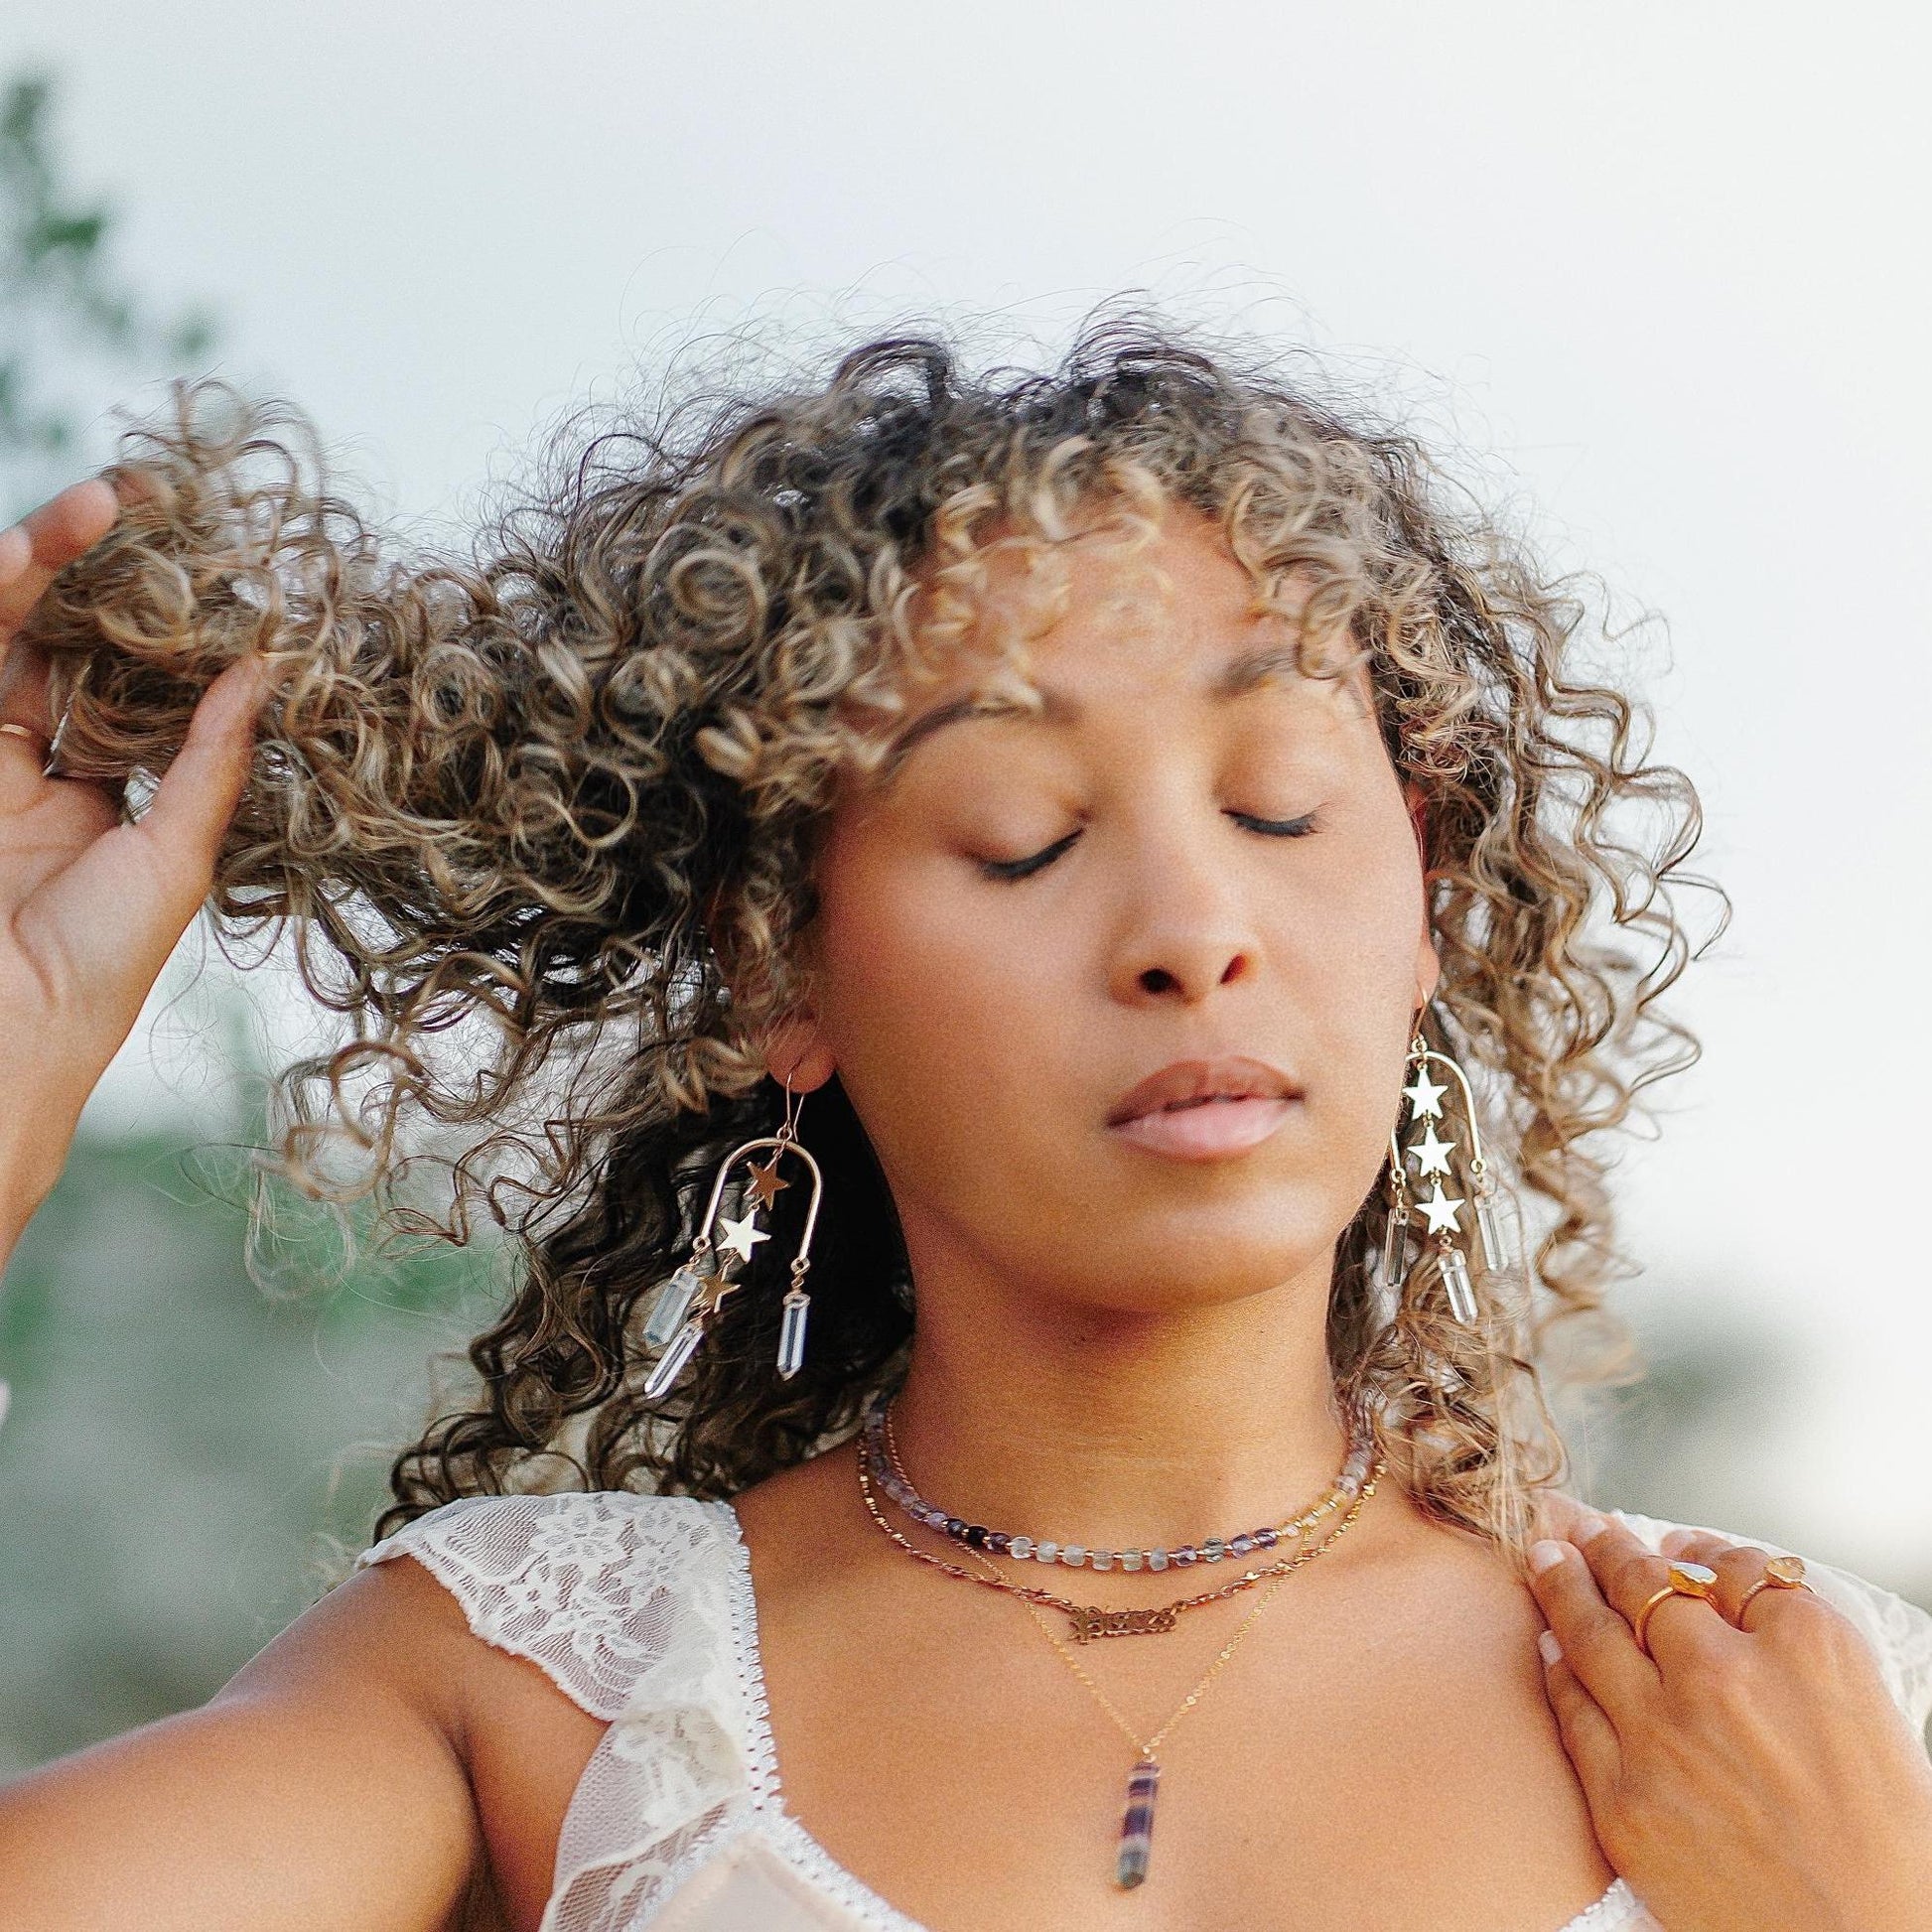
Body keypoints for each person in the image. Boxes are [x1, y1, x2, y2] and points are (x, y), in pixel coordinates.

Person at [0, 315, 1927, 1932]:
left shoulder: (1796, 1708)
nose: (1191, 933)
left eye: (1274, 805)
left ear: (1422, 899)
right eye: (1023, 835)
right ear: (782, 970)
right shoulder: (542, 1692)